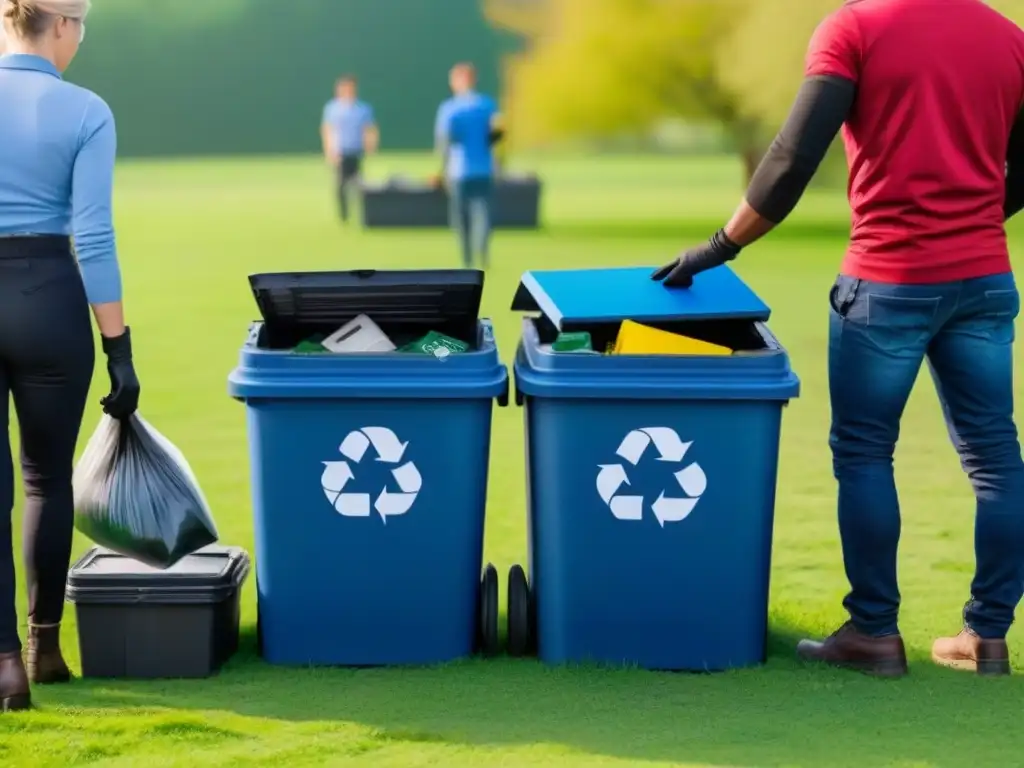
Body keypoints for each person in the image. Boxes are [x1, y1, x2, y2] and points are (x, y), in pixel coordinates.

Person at [652, 0, 1024, 678]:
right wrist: (971, 220)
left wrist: (720, 247)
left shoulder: (854, 28)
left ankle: (875, 634)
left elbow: (792, 157)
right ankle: (988, 637)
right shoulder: (1008, 38)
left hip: (886, 282)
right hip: (984, 280)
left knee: (863, 452)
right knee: (996, 458)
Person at [0, 0, 141, 711]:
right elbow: (94, 236)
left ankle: (3, 665)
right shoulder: (86, 111)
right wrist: (119, 348)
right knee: (45, 480)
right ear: (62, 25)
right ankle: (43, 647)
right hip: (50, 301)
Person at [435, 62, 504, 269]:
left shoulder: (449, 108)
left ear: (457, 81)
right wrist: (499, 163)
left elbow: (444, 141)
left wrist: (443, 168)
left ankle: (467, 259)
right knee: (483, 213)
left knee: (460, 217)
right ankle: (483, 254)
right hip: (484, 168)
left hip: (458, 170)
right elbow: (498, 137)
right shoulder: (488, 105)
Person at [320, 75, 378, 224]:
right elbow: (328, 129)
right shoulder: (332, 108)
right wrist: (329, 150)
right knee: (340, 184)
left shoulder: (362, 108)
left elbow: (369, 128)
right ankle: (344, 215)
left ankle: (361, 212)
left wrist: (370, 145)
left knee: (358, 183)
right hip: (340, 151)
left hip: (356, 150)